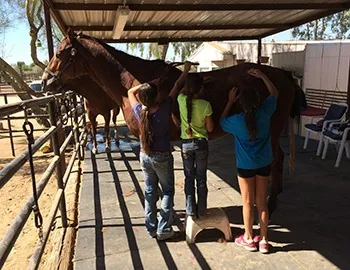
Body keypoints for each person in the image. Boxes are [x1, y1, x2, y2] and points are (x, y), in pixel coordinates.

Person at [128, 61, 192, 241]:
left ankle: (151, 227)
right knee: (167, 191)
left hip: (145, 156)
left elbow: (129, 92)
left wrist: (145, 85)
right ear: (157, 95)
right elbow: (177, 85)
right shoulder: (165, 107)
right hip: (162, 157)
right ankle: (164, 228)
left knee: (149, 191)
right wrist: (185, 71)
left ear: (142, 98)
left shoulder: (140, 111)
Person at [220, 68, 278, 254]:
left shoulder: (237, 121)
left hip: (245, 167)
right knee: (262, 202)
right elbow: (275, 93)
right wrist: (262, 76)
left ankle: (248, 238)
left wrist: (229, 102)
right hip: (264, 163)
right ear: (258, 100)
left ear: (241, 103)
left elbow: (221, 121)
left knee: (247, 202)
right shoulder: (266, 111)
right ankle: (264, 241)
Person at [177, 73, 214, 219]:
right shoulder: (206, 105)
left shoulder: (181, 100)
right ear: (201, 89)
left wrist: (185, 74)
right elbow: (210, 128)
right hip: (201, 144)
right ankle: (202, 210)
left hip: (186, 144)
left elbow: (179, 90)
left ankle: (190, 210)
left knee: (189, 178)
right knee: (201, 178)